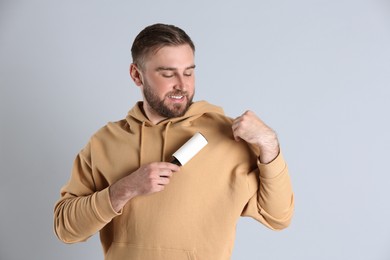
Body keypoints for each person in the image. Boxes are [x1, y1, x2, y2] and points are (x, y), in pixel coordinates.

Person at [54, 23, 294, 260]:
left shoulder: (229, 138)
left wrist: (269, 144)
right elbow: (66, 229)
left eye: (189, 72)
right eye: (168, 74)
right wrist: (124, 189)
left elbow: (279, 217)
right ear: (136, 75)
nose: (183, 85)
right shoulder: (104, 142)